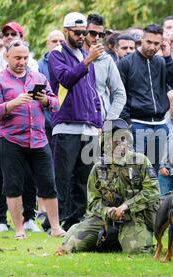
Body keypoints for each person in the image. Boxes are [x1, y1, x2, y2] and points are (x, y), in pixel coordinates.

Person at [0, 40, 65, 239]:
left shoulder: (38, 77)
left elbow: (55, 102)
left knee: (48, 182)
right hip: (11, 140)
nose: (22, 61)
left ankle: (55, 228)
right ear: (7, 57)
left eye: (25, 58)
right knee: (13, 185)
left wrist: (45, 100)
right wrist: (13, 103)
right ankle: (19, 230)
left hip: (38, 138)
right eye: (17, 58)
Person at [56, 119, 159, 255]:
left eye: (124, 138)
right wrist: (108, 211)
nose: (121, 143)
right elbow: (93, 202)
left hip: (134, 218)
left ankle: (119, 239)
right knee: (70, 245)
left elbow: (152, 192)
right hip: (105, 219)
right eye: (116, 139)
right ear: (107, 141)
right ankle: (111, 237)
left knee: (137, 251)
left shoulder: (141, 161)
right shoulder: (98, 168)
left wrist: (126, 207)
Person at [45, 12, 104, 231]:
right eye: (77, 32)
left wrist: (99, 122)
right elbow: (65, 79)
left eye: (85, 33)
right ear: (66, 31)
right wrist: (88, 60)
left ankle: (75, 221)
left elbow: (93, 92)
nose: (82, 36)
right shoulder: (56, 54)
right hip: (67, 124)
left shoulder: (85, 54)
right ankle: (53, 222)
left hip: (89, 126)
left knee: (83, 179)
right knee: (62, 178)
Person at [0, 21, 40, 232]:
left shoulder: (31, 63)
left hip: (25, 127)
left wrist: (7, 97)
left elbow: (36, 92)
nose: (8, 36)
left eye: (13, 33)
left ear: (21, 38)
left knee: (28, 174)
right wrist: (16, 97)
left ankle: (29, 218)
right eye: (5, 33)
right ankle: (0, 220)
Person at [117, 24, 173, 173]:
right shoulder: (126, 63)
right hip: (137, 124)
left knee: (153, 173)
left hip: (159, 124)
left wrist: (167, 57)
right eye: (149, 42)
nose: (152, 47)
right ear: (141, 39)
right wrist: (127, 122)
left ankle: (151, 198)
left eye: (156, 44)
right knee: (136, 171)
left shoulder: (161, 62)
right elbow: (119, 95)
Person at [83, 13, 126, 121]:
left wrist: (110, 120)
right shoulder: (73, 58)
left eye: (100, 35)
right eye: (92, 33)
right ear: (83, 31)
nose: (97, 37)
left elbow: (120, 93)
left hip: (101, 122)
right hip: (76, 123)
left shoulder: (106, 60)